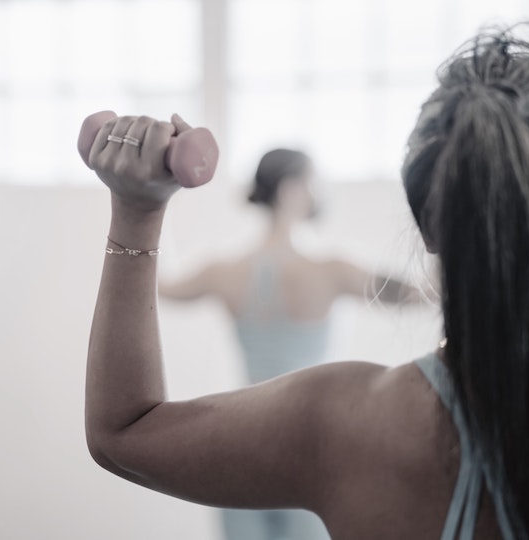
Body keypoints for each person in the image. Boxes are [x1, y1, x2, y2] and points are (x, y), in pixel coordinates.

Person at [83, 25, 529, 540]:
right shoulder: (335, 274)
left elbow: (124, 431)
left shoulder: (334, 424)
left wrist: (138, 209)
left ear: (429, 224)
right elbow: (410, 294)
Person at [159, 149, 419, 540]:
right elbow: (420, 294)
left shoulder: (223, 271)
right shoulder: (330, 271)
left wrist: (153, 201)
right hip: (310, 448)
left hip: (240, 442)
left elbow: (163, 285)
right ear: (292, 189)